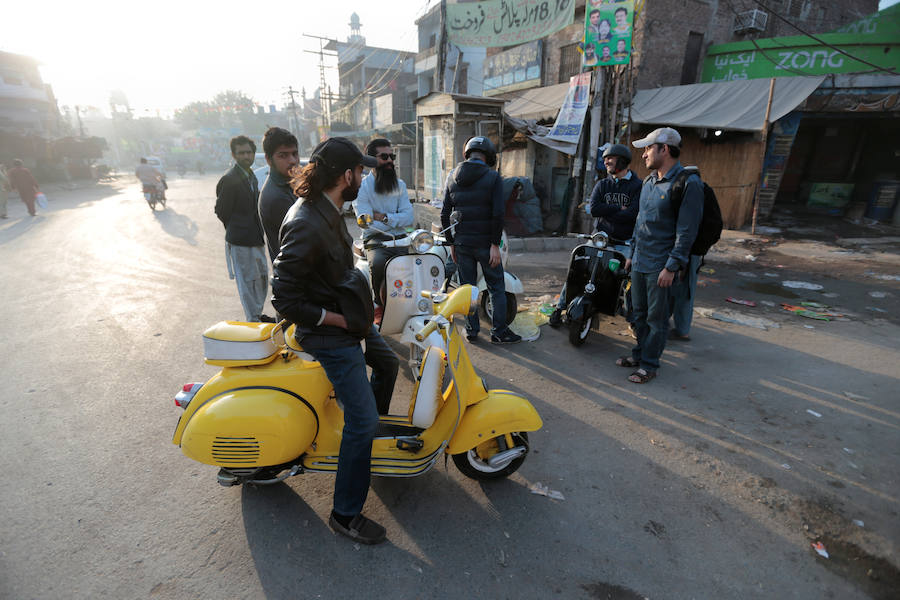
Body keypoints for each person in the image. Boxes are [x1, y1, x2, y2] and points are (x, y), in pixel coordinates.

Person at [271, 137, 399, 545]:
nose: (363, 178)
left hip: (350, 319)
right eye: (360, 172)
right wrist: (339, 319)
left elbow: (332, 267)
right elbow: (285, 298)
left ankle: (364, 447)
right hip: (328, 332)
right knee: (360, 419)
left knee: (389, 363)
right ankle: (345, 514)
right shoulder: (305, 221)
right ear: (346, 176)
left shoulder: (329, 210)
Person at [617, 127, 702, 384]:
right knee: (638, 314)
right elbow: (641, 221)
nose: (643, 155)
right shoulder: (649, 181)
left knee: (657, 318)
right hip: (641, 260)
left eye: (648, 148)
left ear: (664, 149)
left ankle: (650, 365)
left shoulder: (688, 184)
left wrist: (672, 266)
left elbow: (686, 232)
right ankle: (640, 354)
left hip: (661, 266)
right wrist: (632, 253)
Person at [549, 144, 642, 327]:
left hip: (624, 242)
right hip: (599, 239)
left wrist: (609, 212)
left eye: (610, 158)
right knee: (577, 267)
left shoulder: (637, 186)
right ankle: (559, 308)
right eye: (605, 158)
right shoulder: (603, 184)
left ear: (622, 160)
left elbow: (632, 214)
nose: (606, 161)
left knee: (630, 277)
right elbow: (594, 209)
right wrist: (618, 209)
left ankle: (633, 318)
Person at [441, 136, 521, 345]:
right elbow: (498, 213)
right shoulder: (492, 177)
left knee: (467, 288)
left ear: (467, 154)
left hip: (462, 244)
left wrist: (452, 243)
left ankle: (472, 330)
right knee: (496, 287)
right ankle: (499, 332)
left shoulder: (452, 176)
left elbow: (444, 214)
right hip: (486, 244)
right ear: (488, 156)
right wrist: (495, 244)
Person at [354, 138, 414, 325]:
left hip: (401, 238)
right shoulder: (362, 187)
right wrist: (394, 219)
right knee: (379, 263)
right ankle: (378, 303)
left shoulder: (401, 185)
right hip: (375, 239)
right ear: (371, 159)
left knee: (416, 264)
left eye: (392, 156)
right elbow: (365, 222)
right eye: (384, 156)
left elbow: (409, 217)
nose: (390, 160)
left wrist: (384, 217)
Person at [215, 135, 273, 323]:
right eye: (241, 153)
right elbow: (221, 211)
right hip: (240, 240)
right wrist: (236, 228)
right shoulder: (229, 179)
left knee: (262, 279)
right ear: (234, 155)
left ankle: (256, 314)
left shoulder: (251, 176)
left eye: (248, 152)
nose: (245, 156)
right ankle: (253, 320)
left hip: (255, 237)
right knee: (248, 282)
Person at [258, 127, 300, 264]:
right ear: (268, 160)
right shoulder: (276, 197)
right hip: (294, 276)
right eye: (283, 155)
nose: (292, 160)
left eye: (295, 154)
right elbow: (304, 239)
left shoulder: (289, 185)